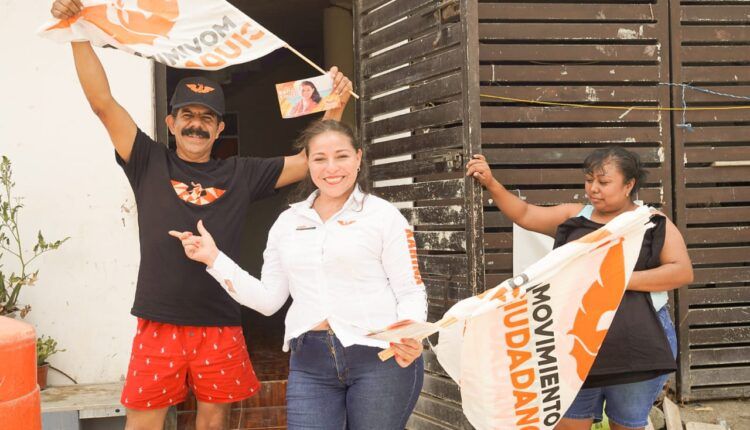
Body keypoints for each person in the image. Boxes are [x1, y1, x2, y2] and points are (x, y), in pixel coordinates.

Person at [50, 1, 353, 429]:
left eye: (207, 118)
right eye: (188, 115)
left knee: (212, 424)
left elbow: (308, 163)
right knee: (143, 424)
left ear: (219, 128)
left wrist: (334, 105)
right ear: (171, 123)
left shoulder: (241, 172)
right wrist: (77, 31)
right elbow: (102, 103)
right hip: (159, 322)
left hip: (220, 323)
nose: (197, 124)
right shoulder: (147, 160)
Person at [170, 120, 427, 430]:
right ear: (308, 163)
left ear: (358, 157)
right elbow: (268, 301)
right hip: (310, 362)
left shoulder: (383, 215)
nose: (331, 168)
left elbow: (410, 290)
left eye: (342, 156)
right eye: (319, 158)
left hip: (379, 358)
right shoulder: (287, 223)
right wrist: (214, 259)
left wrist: (409, 334)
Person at [466, 147, 693, 430]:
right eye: (589, 180)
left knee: (627, 424)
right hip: (572, 342)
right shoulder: (574, 217)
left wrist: (616, 279)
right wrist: (491, 183)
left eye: (603, 182)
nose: (593, 189)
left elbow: (681, 271)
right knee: (568, 422)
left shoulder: (651, 222)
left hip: (637, 343)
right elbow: (524, 214)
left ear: (629, 185)